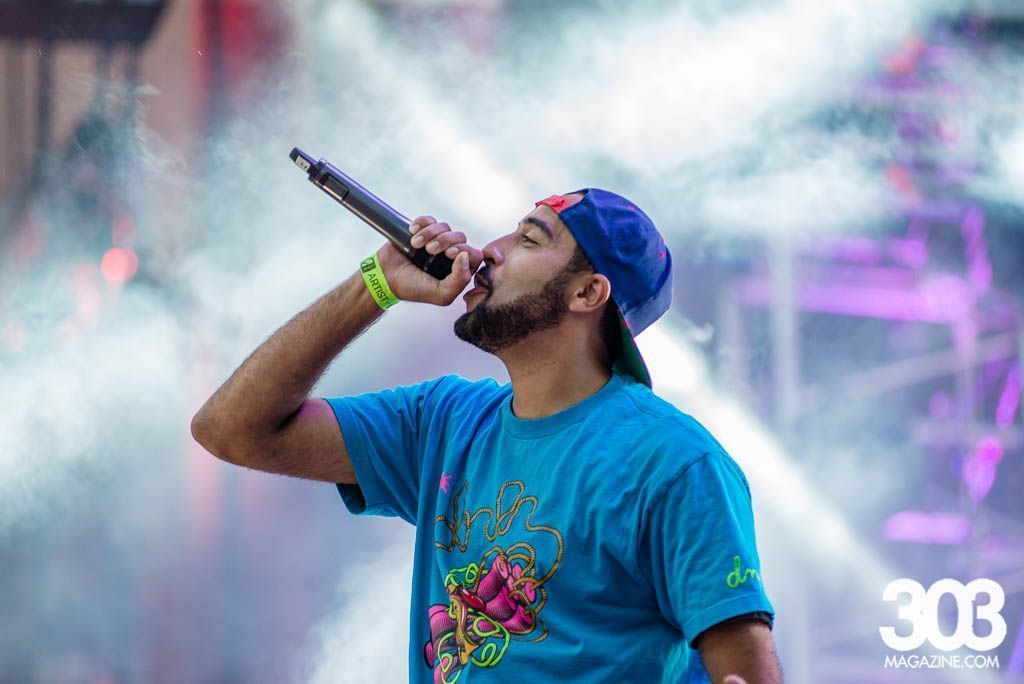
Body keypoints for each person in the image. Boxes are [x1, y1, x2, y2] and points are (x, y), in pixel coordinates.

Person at [191, 189, 782, 683]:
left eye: (528, 239)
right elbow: (230, 429)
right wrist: (376, 285)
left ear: (587, 293)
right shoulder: (445, 420)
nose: (488, 251)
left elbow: (746, 670)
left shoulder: (673, 463)